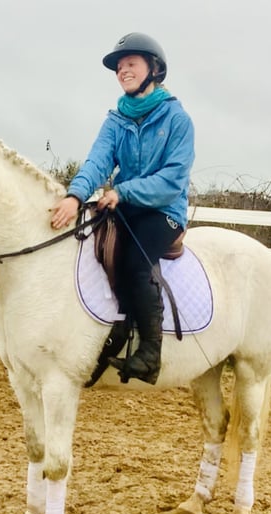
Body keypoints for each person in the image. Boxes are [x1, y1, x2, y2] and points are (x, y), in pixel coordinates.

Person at [51, 32, 195, 385]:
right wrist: (73, 195)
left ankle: (149, 352)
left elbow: (172, 180)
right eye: (119, 67)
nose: (123, 71)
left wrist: (123, 191)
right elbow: (97, 161)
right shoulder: (116, 120)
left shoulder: (177, 119)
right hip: (126, 206)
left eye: (130, 64)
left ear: (154, 69)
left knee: (133, 262)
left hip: (164, 212)